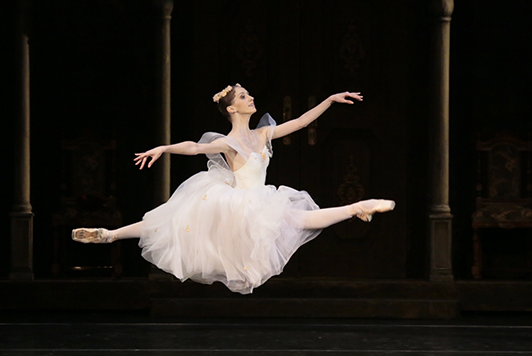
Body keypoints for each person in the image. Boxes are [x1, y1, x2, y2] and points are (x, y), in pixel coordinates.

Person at [72, 84, 395, 294]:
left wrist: (328, 100)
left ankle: (358, 207)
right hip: (240, 201)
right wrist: (164, 148)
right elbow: (194, 148)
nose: (250, 97)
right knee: (173, 221)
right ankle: (111, 234)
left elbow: (298, 123)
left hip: (259, 198)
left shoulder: (263, 134)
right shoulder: (226, 141)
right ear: (231, 109)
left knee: (297, 219)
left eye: (247, 94)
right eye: (242, 97)